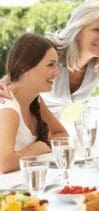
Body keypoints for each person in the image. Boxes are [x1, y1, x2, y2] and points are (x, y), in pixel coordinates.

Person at [0, 33, 68, 173]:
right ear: (26, 67)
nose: (57, 73)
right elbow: (4, 163)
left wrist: (43, 145)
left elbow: (61, 134)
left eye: (57, 65)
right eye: (50, 65)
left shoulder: (35, 100)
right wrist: (36, 149)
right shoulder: (8, 107)